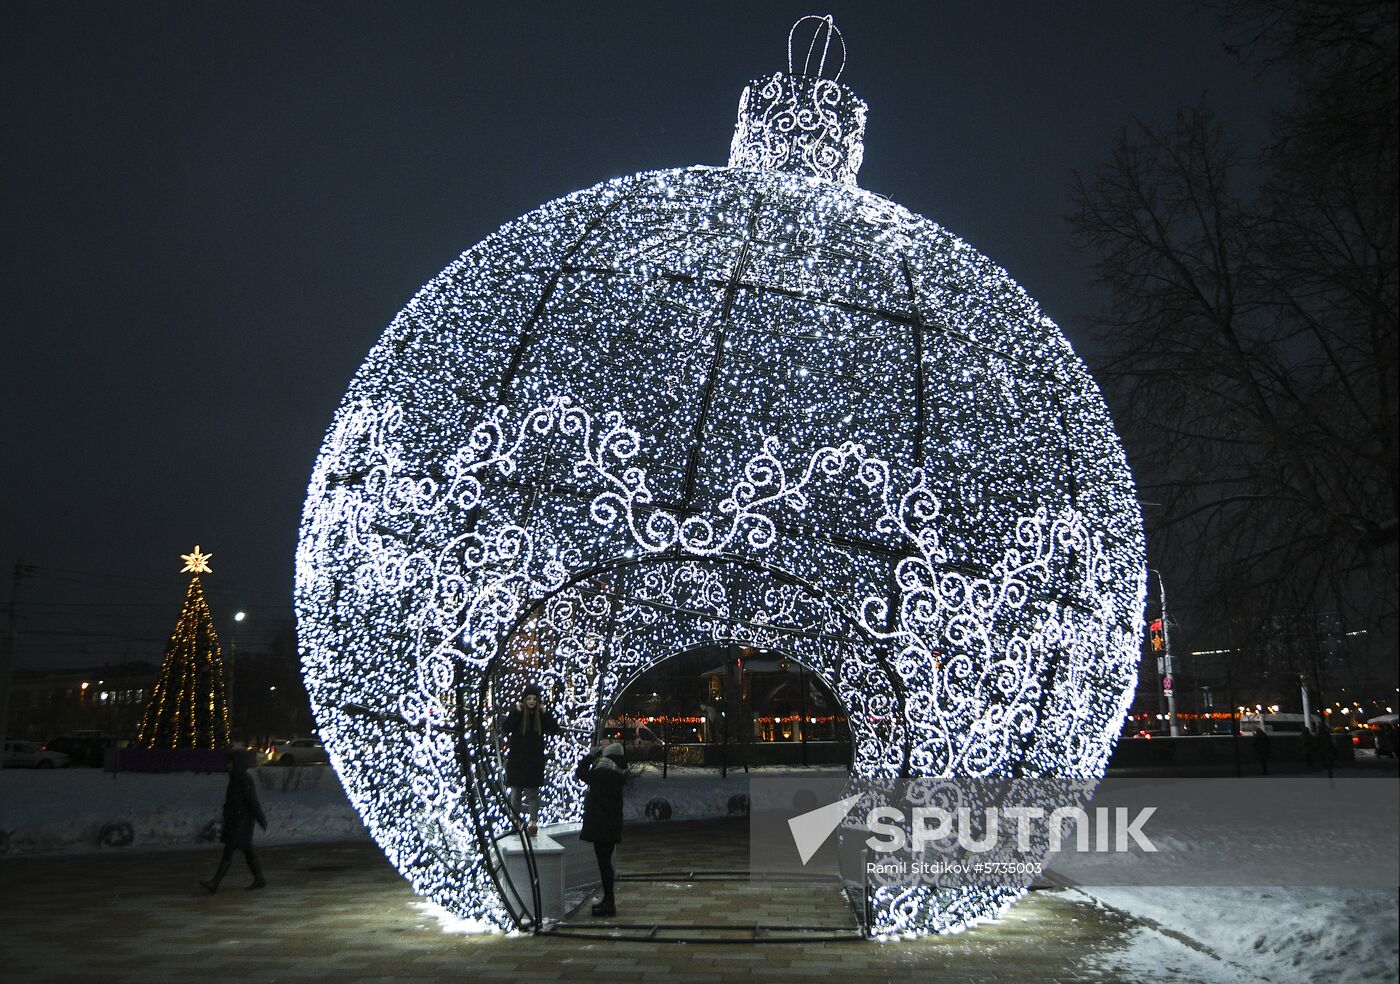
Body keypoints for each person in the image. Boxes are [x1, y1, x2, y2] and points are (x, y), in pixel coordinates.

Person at [201, 748, 267, 892]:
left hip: (242, 822)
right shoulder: (235, 778)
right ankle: (259, 879)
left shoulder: (244, 779)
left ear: (237, 763)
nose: (228, 765)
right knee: (247, 851)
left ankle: (215, 882)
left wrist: (261, 817)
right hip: (235, 821)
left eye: (231, 762)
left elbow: (252, 801)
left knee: (229, 850)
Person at [576, 741, 626, 918]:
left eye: (605, 744)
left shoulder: (604, 770)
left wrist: (590, 756)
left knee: (604, 863)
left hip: (601, 823)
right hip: (611, 823)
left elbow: (580, 774)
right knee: (605, 862)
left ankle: (609, 903)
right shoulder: (617, 769)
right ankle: (608, 899)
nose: (602, 743)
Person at [502, 683, 558, 837]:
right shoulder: (519, 715)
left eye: (534, 699)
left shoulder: (541, 717)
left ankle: (533, 823)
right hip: (517, 762)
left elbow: (554, 729)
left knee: (532, 795)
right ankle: (516, 822)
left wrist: (546, 713)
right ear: (524, 700)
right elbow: (506, 727)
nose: (532, 701)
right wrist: (516, 712)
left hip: (533, 763)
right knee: (516, 796)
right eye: (529, 698)